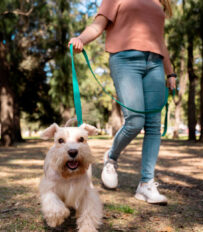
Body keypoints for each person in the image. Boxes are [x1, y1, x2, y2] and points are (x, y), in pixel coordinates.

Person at [68, 0, 176, 205]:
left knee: (153, 125)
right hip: (125, 60)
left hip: (154, 63)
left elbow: (160, 40)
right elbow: (98, 25)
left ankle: (146, 184)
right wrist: (80, 39)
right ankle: (111, 157)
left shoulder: (158, 2)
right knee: (135, 120)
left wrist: (170, 72)